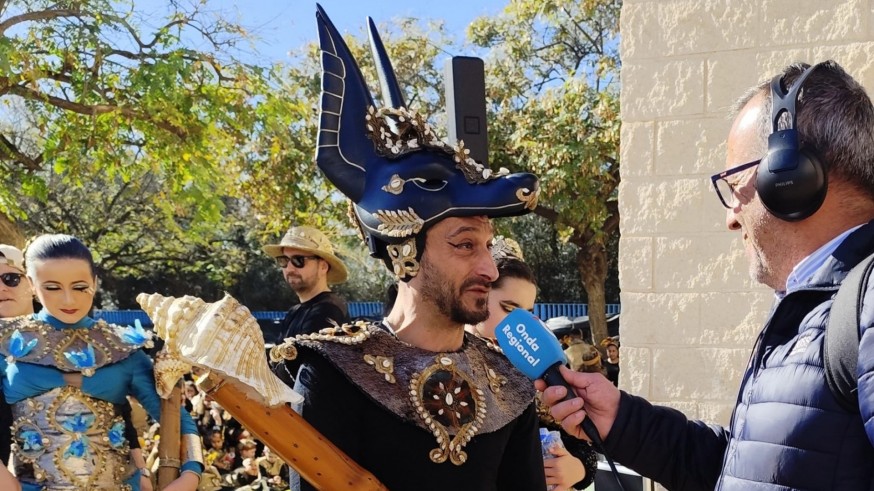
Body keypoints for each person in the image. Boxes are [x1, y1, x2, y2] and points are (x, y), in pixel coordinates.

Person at [540, 60, 874, 490]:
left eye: (734, 184)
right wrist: (621, 420)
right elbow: (745, 470)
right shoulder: (812, 306)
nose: (731, 219)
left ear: (790, 176)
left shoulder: (864, 306)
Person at [271, 6, 545, 490]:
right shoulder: (335, 372)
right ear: (404, 251)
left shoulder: (510, 384)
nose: (487, 266)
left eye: (487, 245)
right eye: (464, 245)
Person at [0, 234, 203, 490]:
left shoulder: (122, 346)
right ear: (31, 284)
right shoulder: (5, 341)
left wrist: (191, 474)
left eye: (80, 287)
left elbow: (176, 418)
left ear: (95, 283)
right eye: (52, 287)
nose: (68, 300)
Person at [468, 236, 598, 490]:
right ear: (477, 295)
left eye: (527, 314)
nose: (520, 326)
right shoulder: (446, 361)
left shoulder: (538, 368)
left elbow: (581, 444)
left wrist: (578, 468)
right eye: (508, 308)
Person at [262, 224, 349, 341]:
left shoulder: (327, 310)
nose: (289, 268)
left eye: (299, 260)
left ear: (323, 267)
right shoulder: (294, 312)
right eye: (284, 260)